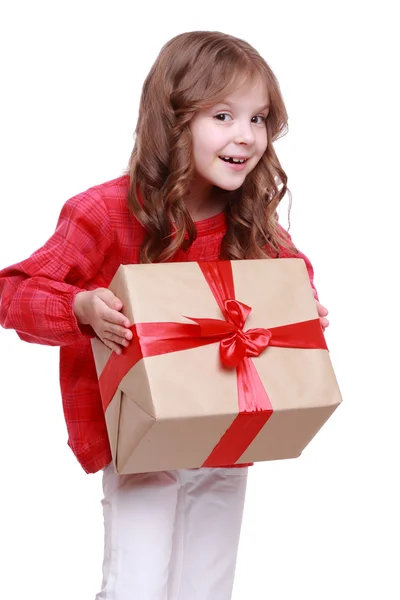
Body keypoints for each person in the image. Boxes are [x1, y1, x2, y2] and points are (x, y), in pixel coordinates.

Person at [0, 30, 329, 600]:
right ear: (174, 119)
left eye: (259, 119)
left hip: (227, 434)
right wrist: (79, 306)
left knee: (207, 586)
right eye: (223, 115)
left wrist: (302, 313)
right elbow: (13, 293)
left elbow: (295, 281)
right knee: (137, 584)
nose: (246, 137)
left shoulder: (252, 222)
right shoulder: (106, 211)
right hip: (139, 441)